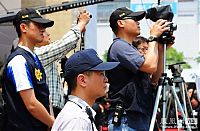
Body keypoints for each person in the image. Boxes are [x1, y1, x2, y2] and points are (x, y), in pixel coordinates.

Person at [106, 7, 173, 130]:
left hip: (139, 116)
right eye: (134, 19)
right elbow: (150, 66)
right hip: (126, 119)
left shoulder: (130, 49)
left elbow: (154, 79)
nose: (138, 22)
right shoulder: (119, 46)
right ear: (121, 23)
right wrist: (153, 37)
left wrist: (161, 51)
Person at [2, 8, 55, 130]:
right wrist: (53, 123)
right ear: (23, 27)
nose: (43, 29)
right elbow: (31, 104)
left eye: (44, 26)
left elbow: (43, 96)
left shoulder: (32, 57)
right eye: (38, 24)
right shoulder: (19, 60)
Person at [34, 10, 91, 117]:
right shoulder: (38, 53)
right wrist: (81, 23)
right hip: (49, 111)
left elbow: (66, 44)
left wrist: (79, 26)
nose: (47, 33)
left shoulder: (45, 55)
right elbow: (64, 44)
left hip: (53, 110)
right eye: (43, 30)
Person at [51, 49, 119, 131]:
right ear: (82, 80)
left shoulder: (79, 114)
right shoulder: (77, 119)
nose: (106, 79)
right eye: (101, 74)